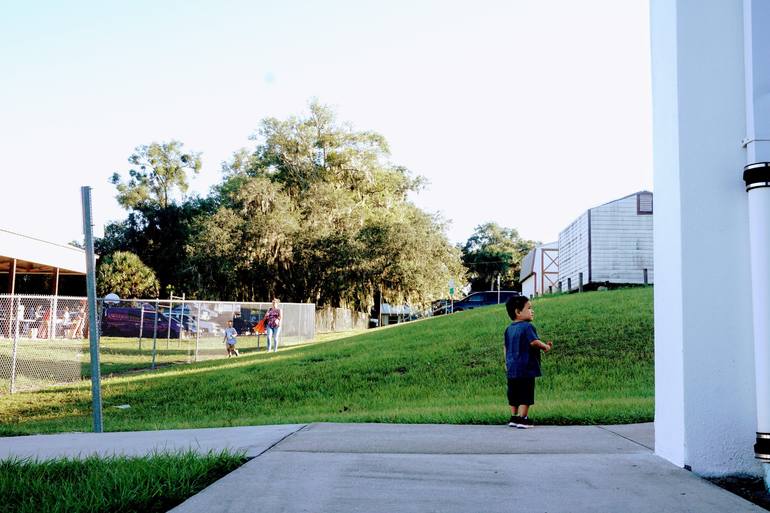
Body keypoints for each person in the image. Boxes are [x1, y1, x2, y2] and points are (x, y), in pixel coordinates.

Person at [503, 295, 553, 429]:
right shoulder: (527, 326)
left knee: (513, 393)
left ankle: (514, 417)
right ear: (518, 312)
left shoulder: (508, 329)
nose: (532, 311)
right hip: (526, 367)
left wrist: (506, 362)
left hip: (512, 367)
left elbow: (506, 347)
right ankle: (523, 419)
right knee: (526, 393)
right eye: (529, 308)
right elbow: (534, 342)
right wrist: (546, 347)